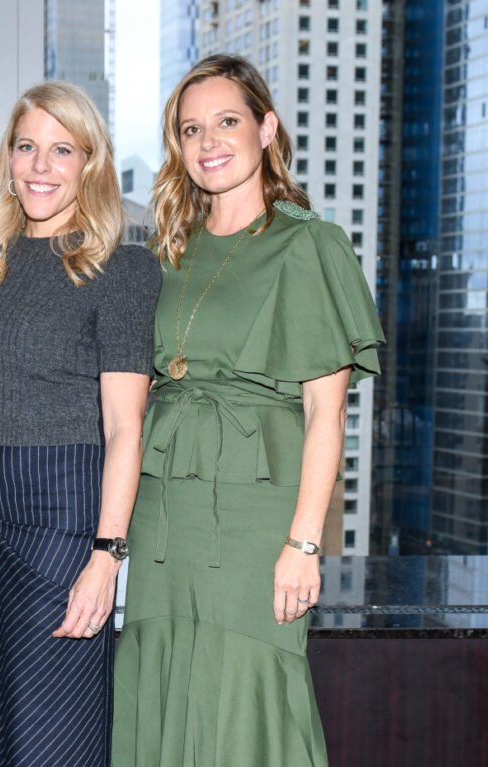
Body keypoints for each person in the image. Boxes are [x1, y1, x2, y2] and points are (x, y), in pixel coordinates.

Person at [112, 54, 384, 766]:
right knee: (166, 686)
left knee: (247, 699)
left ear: (267, 127)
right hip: (164, 517)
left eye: (227, 121)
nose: (209, 141)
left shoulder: (307, 244)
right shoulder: (169, 250)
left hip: (255, 522)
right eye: (192, 129)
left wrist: (303, 544)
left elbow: (327, 414)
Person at [0, 81, 157, 767]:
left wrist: (105, 557)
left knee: (50, 738)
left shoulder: (121, 267)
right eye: (27, 146)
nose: (40, 165)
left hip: (61, 518)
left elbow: (126, 428)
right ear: (6, 158)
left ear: (90, 164)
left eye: (61, 149)